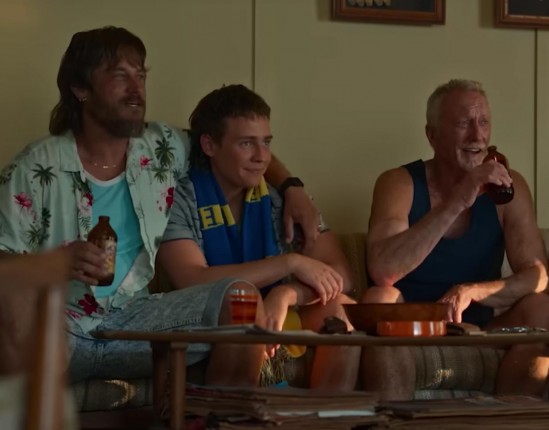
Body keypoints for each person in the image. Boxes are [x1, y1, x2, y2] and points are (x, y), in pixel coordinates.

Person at [0, 26, 321, 386]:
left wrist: (292, 187)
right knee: (15, 308)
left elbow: (236, 146)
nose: (136, 88)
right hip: (60, 326)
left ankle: (223, 414)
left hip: (135, 324)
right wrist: (58, 263)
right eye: (119, 76)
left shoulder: (162, 147)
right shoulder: (36, 167)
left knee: (240, 299)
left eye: (140, 75)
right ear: (80, 89)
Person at [158, 84, 360, 389]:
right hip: (210, 317)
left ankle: (327, 412)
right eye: (246, 144)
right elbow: (192, 279)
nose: (261, 157)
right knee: (243, 302)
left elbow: (341, 275)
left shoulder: (285, 199)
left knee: (340, 312)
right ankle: (230, 413)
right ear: (209, 145)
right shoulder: (180, 197)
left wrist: (287, 294)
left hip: (280, 310)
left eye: (266, 142)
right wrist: (290, 263)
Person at [365, 78, 549, 400]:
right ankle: (396, 419)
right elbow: (383, 270)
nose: (478, 136)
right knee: (379, 298)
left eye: (484, 122)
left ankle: (505, 419)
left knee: (541, 309)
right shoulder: (399, 183)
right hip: (411, 328)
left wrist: (474, 292)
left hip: (480, 329)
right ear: (432, 135)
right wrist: (458, 200)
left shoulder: (510, 187)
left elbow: (538, 276)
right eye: (464, 124)